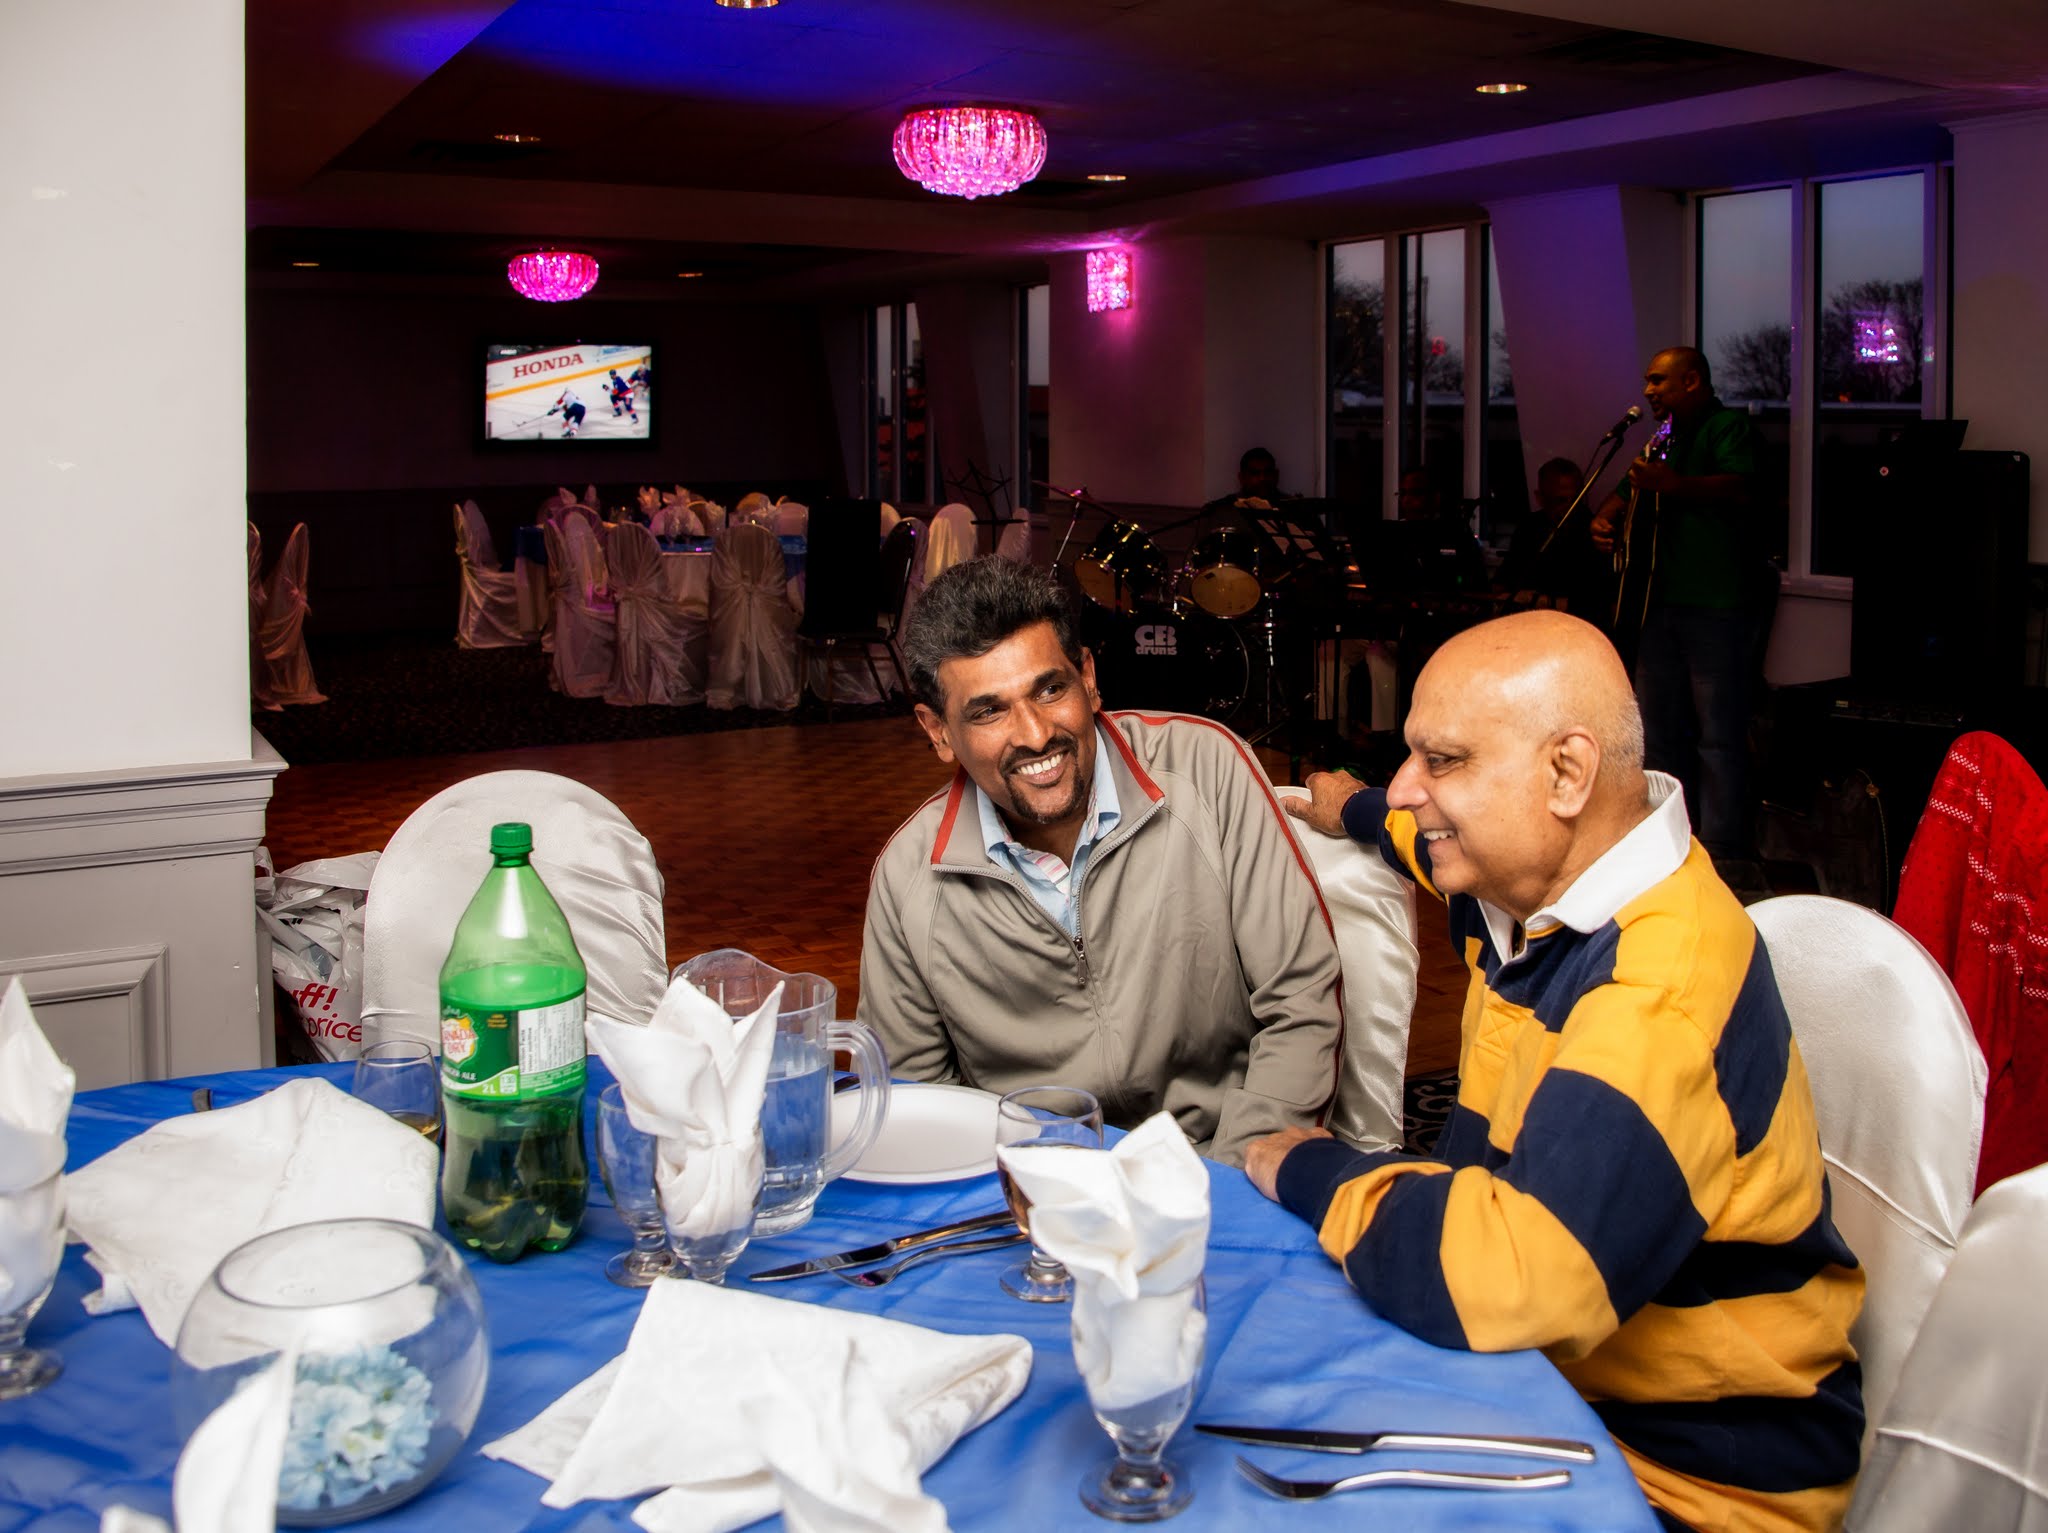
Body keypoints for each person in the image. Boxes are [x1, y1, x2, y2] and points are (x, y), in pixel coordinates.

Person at [1256, 610, 1864, 1533]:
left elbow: (1523, 1276)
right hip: (1541, 1400)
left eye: (1443, 760)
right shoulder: (1523, 878)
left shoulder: (1659, 983)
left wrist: (1309, 1165)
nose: (1410, 787)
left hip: (1689, 1483)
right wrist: (1351, 806)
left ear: (1568, 773)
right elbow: (1407, 829)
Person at [858, 556, 1343, 1166]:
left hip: (1220, 1165)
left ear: (1087, 678)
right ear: (937, 731)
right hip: (1030, 1186)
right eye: (988, 711)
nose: (1035, 735)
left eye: (1049, 689)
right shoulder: (908, 876)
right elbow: (916, 1101)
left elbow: (1301, 1001)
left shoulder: (1208, 770)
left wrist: (1226, 1185)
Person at [1590, 347, 1768, 863]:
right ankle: (1663, 838)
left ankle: (1722, 847)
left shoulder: (1728, 428)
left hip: (1715, 602)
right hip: (1658, 601)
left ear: (1690, 381)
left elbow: (1742, 487)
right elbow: (1627, 490)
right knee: (1657, 728)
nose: (1648, 391)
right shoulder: (1662, 437)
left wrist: (1677, 486)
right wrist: (1604, 519)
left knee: (1718, 731)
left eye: (1658, 381)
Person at [1495, 455, 1612, 620]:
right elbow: (1504, 581)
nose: (1569, 507)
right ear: (1540, 497)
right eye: (1560, 500)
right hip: (1527, 623)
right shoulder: (1529, 528)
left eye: (1575, 500)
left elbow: (1601, 603)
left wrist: (1542, 601)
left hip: (1576, 626)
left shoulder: (1594, 533)